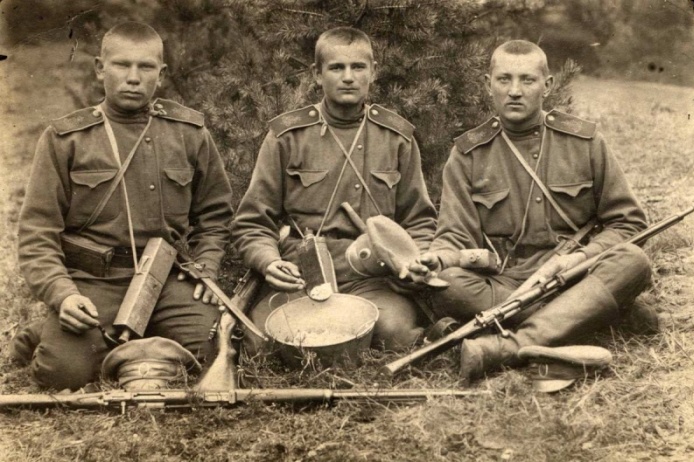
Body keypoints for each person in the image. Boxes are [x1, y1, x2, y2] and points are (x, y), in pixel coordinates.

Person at [12, 22, 233, 391]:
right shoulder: (66, 139)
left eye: (145, 67)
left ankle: (142, 328)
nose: (133, 78)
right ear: (100, 68)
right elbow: (37, 234)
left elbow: (216, 213)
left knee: (216, 348)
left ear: (161, 75)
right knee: (60, 374)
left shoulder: (189, 133)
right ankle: (42, 331)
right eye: (121, 66)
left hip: (166, 279)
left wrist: (207, 265)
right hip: (94, 282)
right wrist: (63, 294)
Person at [416, 40, 652, 381]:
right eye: (504, 80)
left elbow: (628, 222)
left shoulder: (584, 142)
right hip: (506, 283)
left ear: (548, 85)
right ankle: (587, 315)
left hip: (576, 274)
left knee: (633, 261)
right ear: (487, 84)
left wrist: (579, 259)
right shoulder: (468, 155)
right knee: (447, 284)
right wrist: (436, 259)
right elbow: (455, 235)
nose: (514, 91)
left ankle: (508, 347)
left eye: (527, 80)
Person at [232, 27, 437, 353]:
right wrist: (269, 262)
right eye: (336, 68)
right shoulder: (287, 136)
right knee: (260, 341)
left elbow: (420, 218)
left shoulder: (397, 137)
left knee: (397, 333)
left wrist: (418, 259)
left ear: (374, 71)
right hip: (303, 274)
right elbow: (253, 220)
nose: (348, 77)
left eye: (358, 67)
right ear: (317, 74)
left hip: (374, 278)